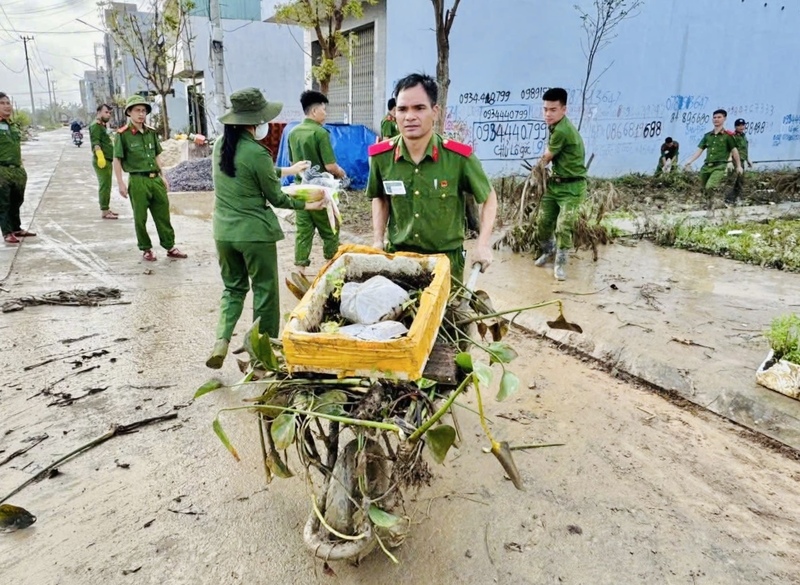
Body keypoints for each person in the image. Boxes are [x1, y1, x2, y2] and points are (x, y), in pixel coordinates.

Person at [206, 88, 324, 369]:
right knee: (265, 292)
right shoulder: (257, 152)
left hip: (223, 233)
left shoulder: (221, 145)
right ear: (255, 121)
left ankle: (221, 340)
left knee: (233, 289)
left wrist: (289, 170)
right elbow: (277, 197)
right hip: (254, 234)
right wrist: (308, 205)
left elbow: (250, 171)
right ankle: (263, 355)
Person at [367, 73, 497, 284]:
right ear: (395, 113)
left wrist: (482, 244)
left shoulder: (459, 158)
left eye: (419, 108)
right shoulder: (382, 157)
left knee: (447, 306)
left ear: (435, 112)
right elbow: (380, 198)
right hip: (399, 260)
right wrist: (378, 240)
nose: (409, 116)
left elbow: (488, 197)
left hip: (446, 263)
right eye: (402, 109)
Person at [113, 95, 187, 261]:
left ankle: (170, 246)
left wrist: (163, 176)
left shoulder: (151, 133)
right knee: (140, 218)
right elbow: (117, 159)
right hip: (138, 180)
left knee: (163, 215)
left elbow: (157, 156)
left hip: (155, 179)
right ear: (129, 112)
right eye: (137, 110)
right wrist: (120, 183)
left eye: (143, 111)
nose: (141, 114)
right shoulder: (123, 135)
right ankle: (146, 248)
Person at [287, 90, 346, 275]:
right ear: (314, 111)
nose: (325, 113)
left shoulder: (293, 133)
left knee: (303, 232)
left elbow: (293, 163)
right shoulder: (320, 133)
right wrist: (341, 173)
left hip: (300, 191)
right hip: (320, 192)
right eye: (323, 109)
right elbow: (330, 166)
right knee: (330, 228)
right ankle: (331, 269)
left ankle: (299, 271)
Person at [533, 87, 587, 281]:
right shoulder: (556, 126)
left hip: (572, 187)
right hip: (555, 184)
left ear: (564, 109)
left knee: (563, 226)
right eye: (545, 109)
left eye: (553, 110)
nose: (548, 114)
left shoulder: (562, 130)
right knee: (543, 222)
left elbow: (546, 158)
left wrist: (535, 172)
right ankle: (549, 251)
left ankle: (561, 263)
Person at [683, 109, 742, 207]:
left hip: (719, 166)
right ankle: (710, 204)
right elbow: (699, 150)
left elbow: (735, 151)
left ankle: (712, 205)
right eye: (714, 117)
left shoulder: (728, 136)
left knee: (710, 186)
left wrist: (739, 166)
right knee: (703, 188)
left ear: (724, 119)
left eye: (719, 117)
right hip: (706, 166)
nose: (716, 119)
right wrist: (689, 161)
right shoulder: (707, 136)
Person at [0, 92, 36, 245]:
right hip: (2, 169)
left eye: (8, 103)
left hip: (17, 169)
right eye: (2, 103)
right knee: (3, 202)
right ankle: (7, 232)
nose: (7, 106)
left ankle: (16, 228)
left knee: (17, 200)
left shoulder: (13, 125)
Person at [89, 104, 118, 219]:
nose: (108, 115)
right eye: (106, 112)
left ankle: (106, 208)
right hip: (102, 160)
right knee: (105, 186)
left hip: (107, 159)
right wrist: (100, 157)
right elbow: (96, 143)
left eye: (110, 113)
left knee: (107, 185)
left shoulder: (102, 125)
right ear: (99, 112)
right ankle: (105, 211)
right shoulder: (96, 126)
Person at [726, 118, 753, 204]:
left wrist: (748, 159)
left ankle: (737, 199)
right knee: (732, 181)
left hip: (742, 161)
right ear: (735, 127)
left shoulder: (743, 136)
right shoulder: (733, 136)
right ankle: (728, 200)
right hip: (735, 162)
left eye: (743, 125)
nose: (741, 127)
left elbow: (744, 149)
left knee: (740, 181)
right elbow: (731, 148)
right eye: (739, 125)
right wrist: (729, 160)